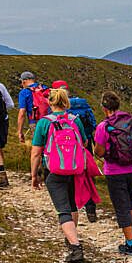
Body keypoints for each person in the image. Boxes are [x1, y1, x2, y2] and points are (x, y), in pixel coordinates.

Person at [30, 87, 89, 263]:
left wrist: (34, 175)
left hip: (54, 172)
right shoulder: (75, 120)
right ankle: (72, 237)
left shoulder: (44, 122)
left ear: (50, 102)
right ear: (66, 102)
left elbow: (35, 152)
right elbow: (84, 142)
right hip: (74, 169)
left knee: (62, 210)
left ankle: (75, 247)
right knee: (72, 206)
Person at [93, 91, 132, 257]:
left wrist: (96, 152)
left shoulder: (103, 126)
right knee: (130, 197)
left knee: (121, 205)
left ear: (104, 107)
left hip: (116, 171)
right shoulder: (131, 121)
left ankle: (130, 245)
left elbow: (99, 152)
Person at [52, 79, 99, 222]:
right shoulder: (82, 105)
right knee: (87, 177)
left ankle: (70, 209)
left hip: (64, 150)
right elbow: (92, 125)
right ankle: (91, 210)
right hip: (85, 147)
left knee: (67, 180)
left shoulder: (56, 112)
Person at [16, 71, 48, 143]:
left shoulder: (24, 92)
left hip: (35, 122)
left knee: (39, 147)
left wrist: (20, 132)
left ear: (24, 81)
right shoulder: (45, 88)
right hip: (50, 120)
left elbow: (22, 113)